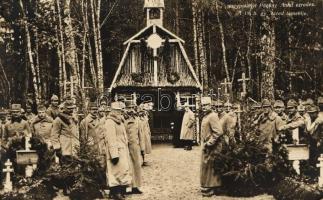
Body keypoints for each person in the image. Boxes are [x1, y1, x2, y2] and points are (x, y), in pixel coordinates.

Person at [102, 101, 132, 200]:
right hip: (115, 151)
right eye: (118, 111)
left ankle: (117, 191)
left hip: (122, 150)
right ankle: (115, 192)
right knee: (114, 172)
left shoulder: (119, 121)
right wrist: (114, 154)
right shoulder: (110, 122)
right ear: (113, 111)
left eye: (120, 111)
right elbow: (111, 139)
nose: (120, 113)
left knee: (121, 171)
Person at [200, 98, 223, 197]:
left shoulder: (213, 116)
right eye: (203, 105)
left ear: (210, 105)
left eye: (206, 105)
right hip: (207, 146)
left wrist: (210, 143)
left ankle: (212, 188)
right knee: (206, 166)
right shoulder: (206, 116)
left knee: (211, 167)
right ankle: (208, 186)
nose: (204, 107)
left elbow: (218, 132)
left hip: (213, 146)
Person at [124, 101, 145, 194]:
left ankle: (135, 186)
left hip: (135, 146)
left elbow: (141, 134)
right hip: (125, 146)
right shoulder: (122, 120)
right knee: (126, 166)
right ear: (125, 109)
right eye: (129, 108)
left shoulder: (137, 120)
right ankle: (125, 187)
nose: (131, 110)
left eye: (132, 108)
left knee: (136, 166)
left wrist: (142, 148)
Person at [51, 98, 79, 163]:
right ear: (64, 108)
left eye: (72, 108)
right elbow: (54, 135)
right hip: (64, 148)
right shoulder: (58, 120)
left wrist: (78, 145)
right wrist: (57, 148)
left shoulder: (74, 118)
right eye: (68, 108)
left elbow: (76, 133)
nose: (70, 110)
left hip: (74, 148)